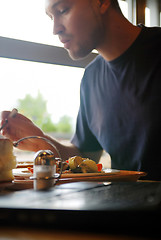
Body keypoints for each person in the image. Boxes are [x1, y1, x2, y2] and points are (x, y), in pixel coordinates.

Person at [1, 0, 161, 180]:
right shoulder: (91, 77)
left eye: (63, 10)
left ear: (101, 2)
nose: (55, 29)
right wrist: (41, 142)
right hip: (120, 203)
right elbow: (87, 157)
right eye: (51, 17)